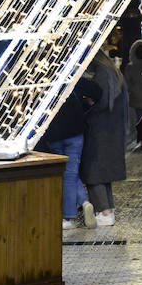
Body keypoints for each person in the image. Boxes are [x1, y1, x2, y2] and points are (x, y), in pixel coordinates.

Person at [34, 80, 98, 232]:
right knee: (71, 172)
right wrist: (87, 105)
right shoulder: (69, 77)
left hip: (54, 133)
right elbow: (96, 90)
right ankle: (82, 202)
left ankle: (69, 216)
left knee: (66, 174)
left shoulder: (42, 82)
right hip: (75, 131)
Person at [78, 50, 129, 227]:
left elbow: (101, 101)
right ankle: (109, 209)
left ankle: (104, 211)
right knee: (104, 172)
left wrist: (86, 104)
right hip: (111, 130)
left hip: (100, 130)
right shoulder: (113, 72)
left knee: (94, 172)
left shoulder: (101, 74)